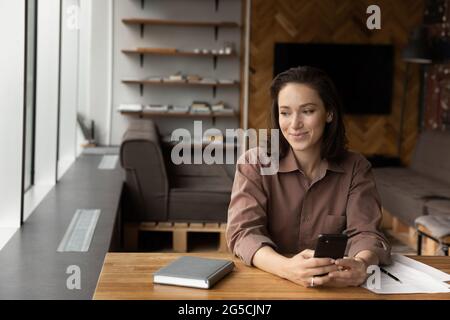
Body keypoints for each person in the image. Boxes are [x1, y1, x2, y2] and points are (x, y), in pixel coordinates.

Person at [226, 66, 391, 288]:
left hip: (335, 286)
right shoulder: (254, 164)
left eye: (307, 111)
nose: (294, 124)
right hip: (267, 282)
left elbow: (366, 233)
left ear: (329, 113)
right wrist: (287, 268)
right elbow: (243, 233)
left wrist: (361, 264)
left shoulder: (356, 168)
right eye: (285, 113)